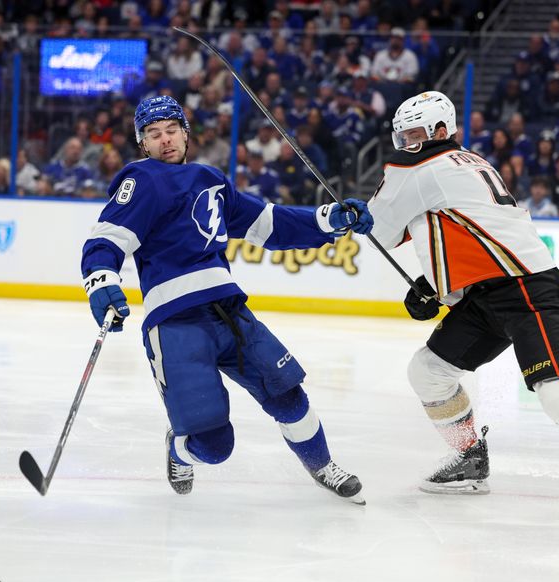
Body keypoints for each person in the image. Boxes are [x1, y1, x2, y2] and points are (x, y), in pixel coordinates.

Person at [365, 90, 559, 527]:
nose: (406, 144)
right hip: (492, 292)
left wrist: (335, 217)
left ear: (440, 131)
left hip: (525, 289)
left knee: (558, 393)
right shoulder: (464, 162)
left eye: (415, 134)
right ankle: (470, 459)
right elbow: (464, 232)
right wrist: (434, 285)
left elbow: (376, 227)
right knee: (428, 371)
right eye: (401, 136)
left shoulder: (420, 168)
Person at [80, 96, 372, 504]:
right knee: (215, 447)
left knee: (288, 395)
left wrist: (327, 220)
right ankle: (178, 448)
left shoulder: (210, 179)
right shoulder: (141, 180)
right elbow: (106, 238)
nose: (164, 140)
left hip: (230, 312)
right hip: (176, 325)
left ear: (186, 132)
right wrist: (101, 279)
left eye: (170, 130)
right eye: (153, 134)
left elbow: (268, 224)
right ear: (142, 143)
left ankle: (322, 465)